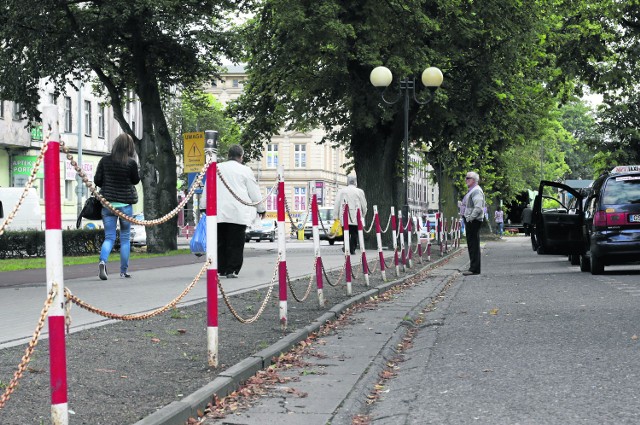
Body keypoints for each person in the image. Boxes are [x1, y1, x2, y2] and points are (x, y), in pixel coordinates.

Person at [94, 133, 140, 280]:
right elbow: (135, 181)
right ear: (129, 147)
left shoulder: (105, 160)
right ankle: (123, 271)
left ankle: (103, 261)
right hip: (125, 205)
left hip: (108, 205)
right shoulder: (131, 163)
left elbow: (97, 180)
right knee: (125, 238)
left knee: (109, 237)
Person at [215, 144, 266, 278]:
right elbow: (253, 191)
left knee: (221, 241)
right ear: (241, 156)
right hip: (238, 214)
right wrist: (261, 209)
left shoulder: (217, 168)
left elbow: (208, 187)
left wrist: (204, 206)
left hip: (219, 213)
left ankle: (221, 268)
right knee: (236, 243)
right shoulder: (246, 170)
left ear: (228, 155)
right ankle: (232, 269)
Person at [333, 175, 367, 255]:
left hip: (344, 215)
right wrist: (363, 214)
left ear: (347, 182)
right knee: (355, 233)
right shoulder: (359, 191)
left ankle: (346, 247)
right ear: (355, 182)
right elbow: (364, 204)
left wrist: (335, 216)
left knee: (346, 232)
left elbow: (337, 203)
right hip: (356, 215)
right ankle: (352, 248)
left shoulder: (342, 191)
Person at [460, 171, 485, 275]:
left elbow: (478, 207)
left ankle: (474, 269)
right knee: (472, 244)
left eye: (468, 178)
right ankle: (473, 268)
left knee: (473, 244)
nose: (466, 180)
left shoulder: (476, 191)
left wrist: (470, 218)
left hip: (473, 221)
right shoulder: (472, 191)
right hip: (472, 219)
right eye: (466, 178)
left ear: (474, 180)